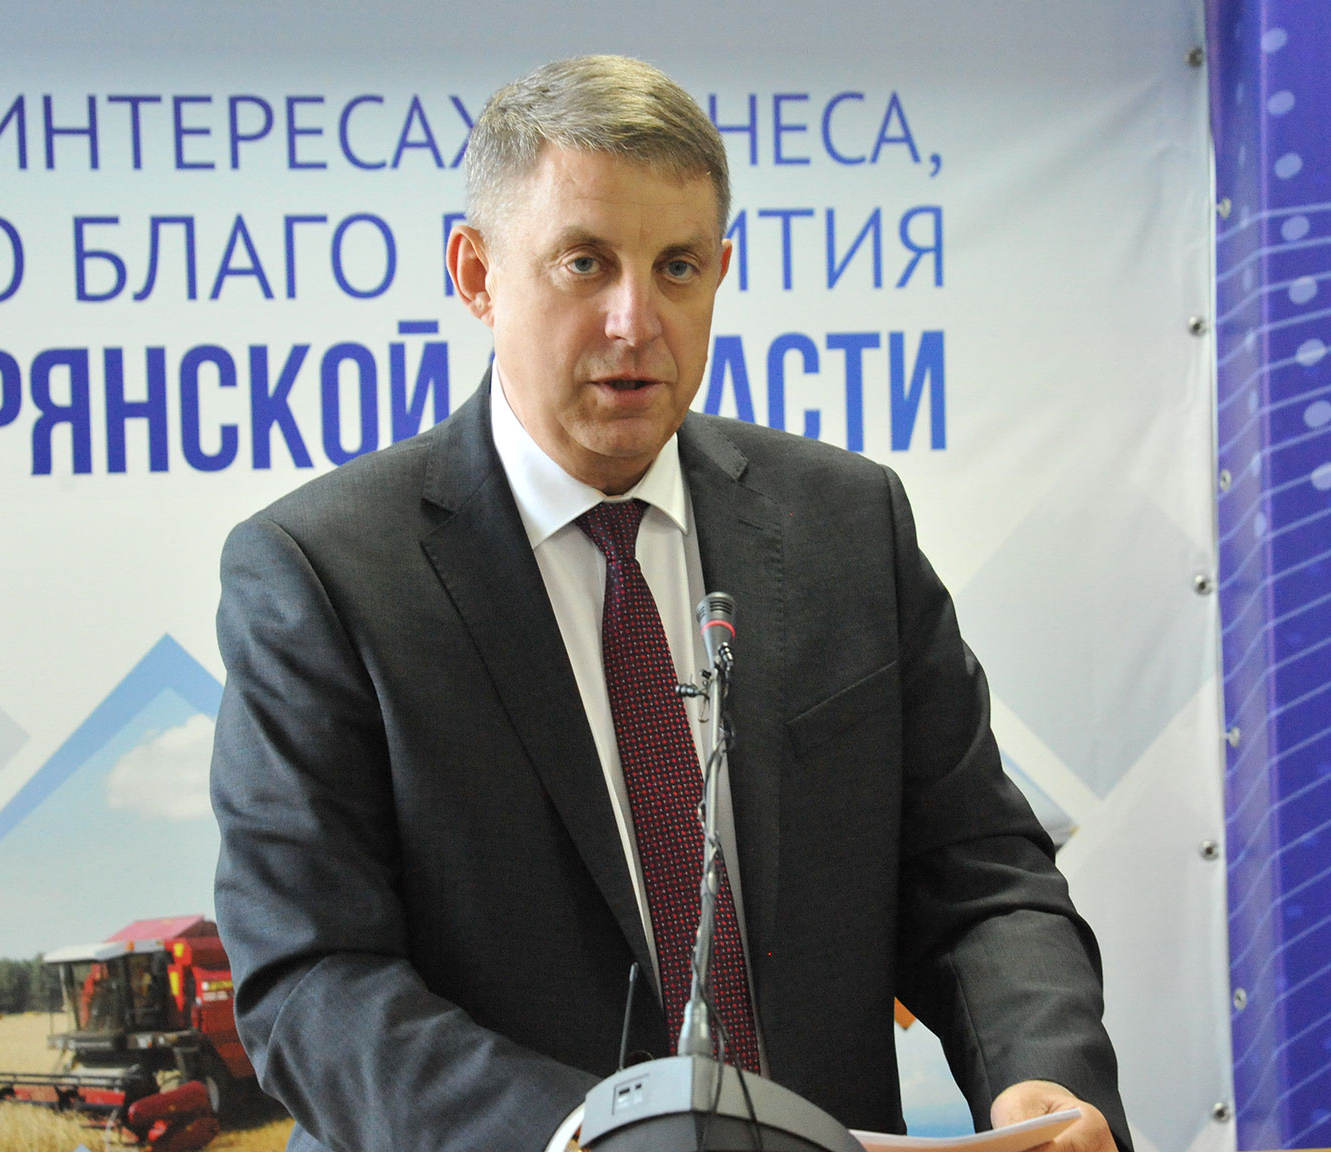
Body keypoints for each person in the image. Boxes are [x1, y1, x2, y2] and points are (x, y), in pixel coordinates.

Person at [210, 55, 1129, 1152]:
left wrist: (1039, 1079)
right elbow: (313, 982)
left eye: (678, 267)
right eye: (585, 263)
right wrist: (598, 1139)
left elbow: (980, 876)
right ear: (477, 274)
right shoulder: (324, 573)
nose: (635, 320)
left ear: (720, 272)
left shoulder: (847, 524)